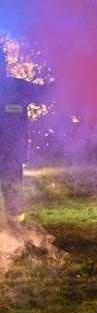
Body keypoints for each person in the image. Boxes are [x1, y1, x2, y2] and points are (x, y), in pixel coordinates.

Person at [0, 67, 40, 223]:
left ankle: (16, 228)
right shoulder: (18, 86)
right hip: (12, 152)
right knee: (13, 191)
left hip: (11, 153)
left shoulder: (18, 86)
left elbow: (44, 93)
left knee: (13, 193)